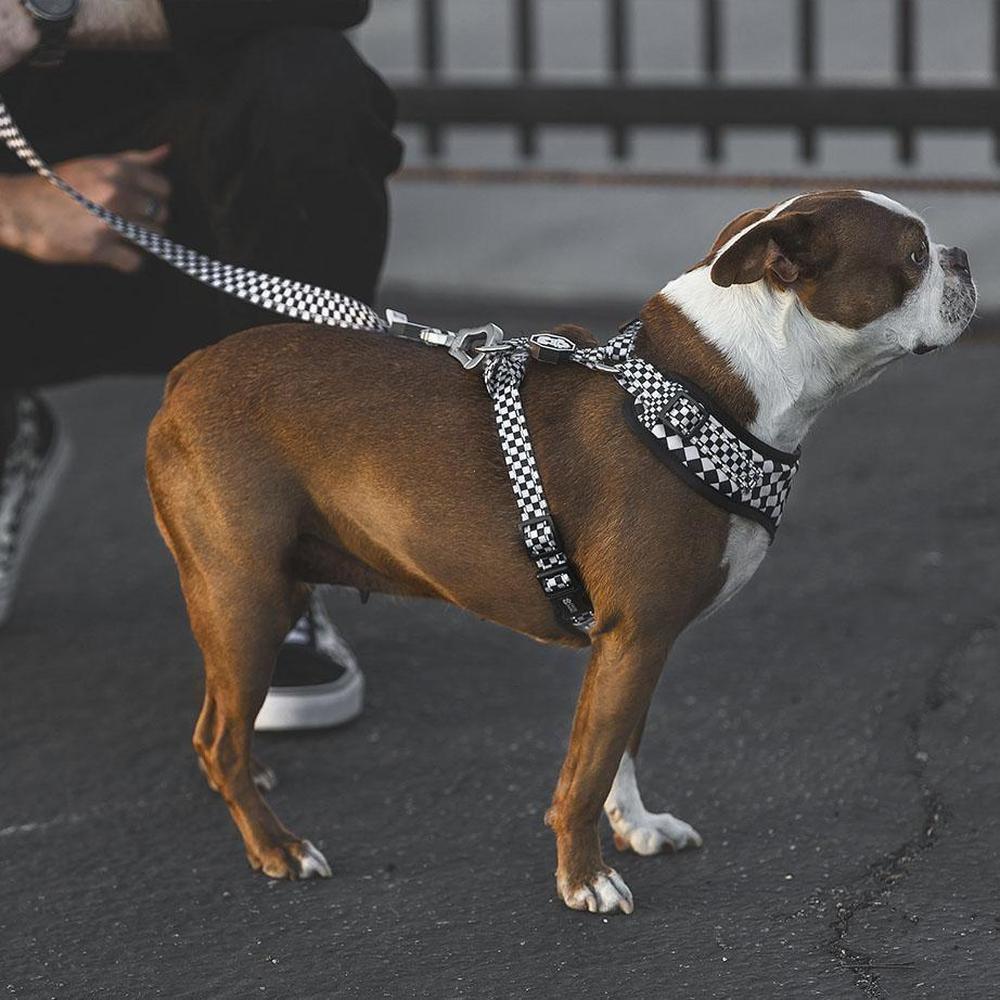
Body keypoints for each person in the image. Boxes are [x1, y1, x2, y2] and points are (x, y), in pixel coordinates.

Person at [0, 0, 402, 730]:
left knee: (309, 80)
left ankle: (276, 564)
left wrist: (47, 16)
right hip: (17, 246)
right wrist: (14, 207)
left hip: (205, 204)